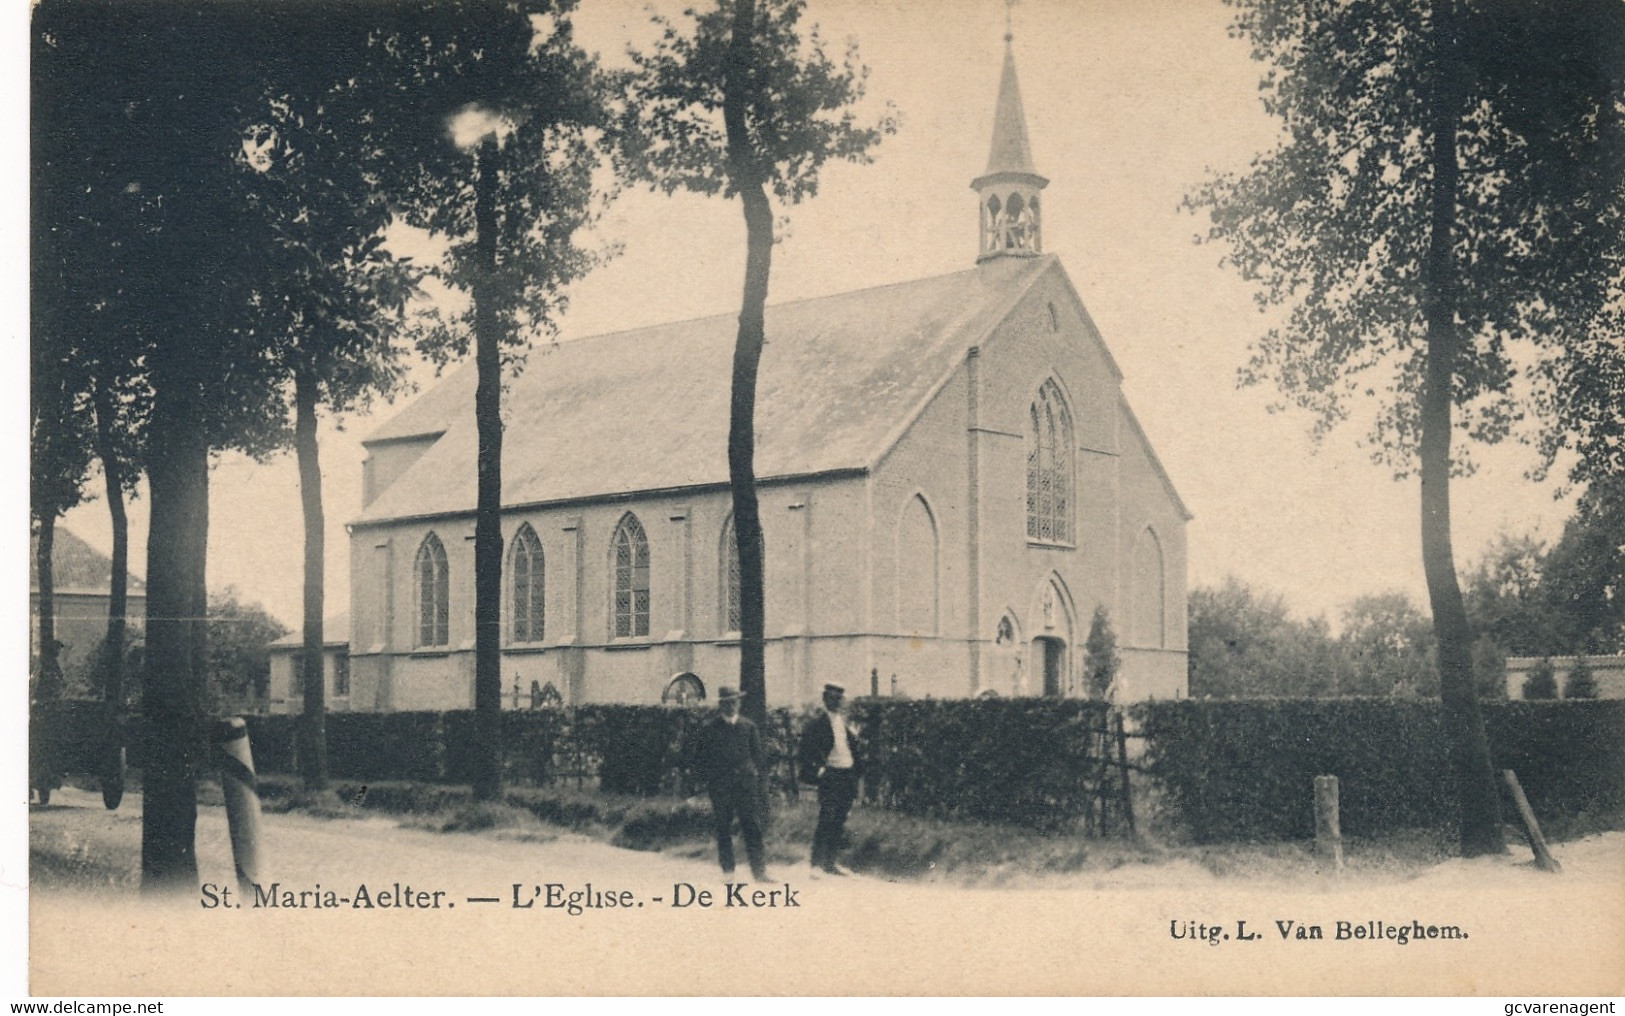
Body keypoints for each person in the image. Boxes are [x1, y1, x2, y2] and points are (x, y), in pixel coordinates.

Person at [691, 686, 771, 882]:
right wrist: (712, 780)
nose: (731, 706)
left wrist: (758, 780)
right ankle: (728, 871)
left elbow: (758, 758)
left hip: (745, 785)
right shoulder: (710, 729)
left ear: (739, 703)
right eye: (726, 702)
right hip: (721, 787)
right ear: (720, 705)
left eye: (734, 702)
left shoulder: (748, 727)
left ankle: (759, 873)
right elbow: (700, 758)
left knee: (752, 826)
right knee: (723, 827)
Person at [798, 681, 861, 876]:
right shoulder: (818, 724)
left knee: (840, 819)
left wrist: (856, 771)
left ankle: (830, 862)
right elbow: (806, 750)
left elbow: (853, 748)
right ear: (825, 699)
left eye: (839, 699)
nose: (836, 702)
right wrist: (818, 770)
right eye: (832, 698)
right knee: (827, 817)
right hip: (831, 775)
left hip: (847, 774)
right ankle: (816, 863)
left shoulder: (845, 723)